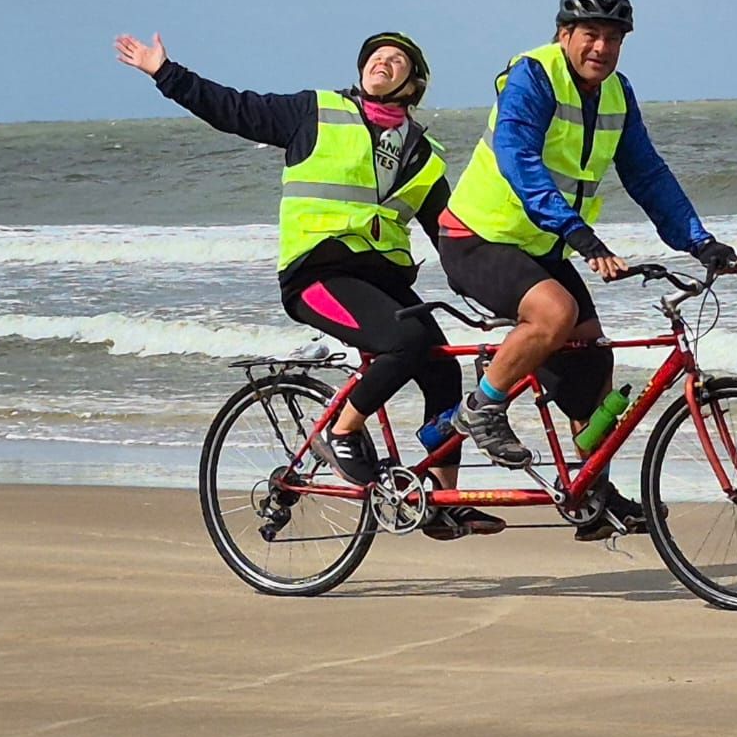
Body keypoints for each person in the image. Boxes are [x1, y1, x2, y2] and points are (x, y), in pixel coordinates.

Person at [115, 29, 505, 539]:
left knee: (441, 367)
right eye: (375, 57)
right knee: (404, 342)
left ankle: (440, 496)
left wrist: (501, 291)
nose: (381, 63)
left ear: (414, 83)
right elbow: (234, 109)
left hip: (381, 282)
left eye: (396, 60)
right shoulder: (315, 113)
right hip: (316, 275)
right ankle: (341, 432)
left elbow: (451, 243)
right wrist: (165, 72)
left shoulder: (424, 157)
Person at [437, 0, 737, 537]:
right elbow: (518, 157)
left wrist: (700, 242)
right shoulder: (532, 76)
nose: (601, 48)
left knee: (591, 353)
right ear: (564, 36)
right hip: (476, 237)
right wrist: (583, 238)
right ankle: (481, 408)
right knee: (553, 315)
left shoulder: (617, 96)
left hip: (541, 245)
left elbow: (648, 176)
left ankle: (592, 491)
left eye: (613, 38)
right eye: (590, 35)